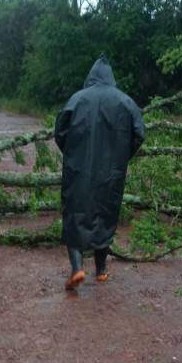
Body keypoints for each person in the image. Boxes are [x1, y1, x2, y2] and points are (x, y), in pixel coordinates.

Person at [55, 56, 145, 290]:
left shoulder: (77, 99)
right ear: (111, 77)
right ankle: (102, 270)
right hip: (111, 173)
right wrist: (122, 157)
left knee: (74, 215)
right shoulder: (125, 101)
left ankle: (77, 269)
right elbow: (139, 134)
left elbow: (60, 132)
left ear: (91, 77)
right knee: (106, 215)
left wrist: (72, 153)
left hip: (78, 170)